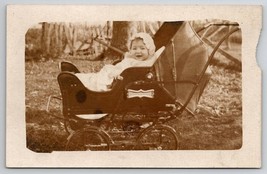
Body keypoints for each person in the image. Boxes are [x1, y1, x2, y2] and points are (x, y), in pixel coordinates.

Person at [76, 32, 159, 91]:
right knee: (94, 77)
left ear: (149, 50)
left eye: (142, 48)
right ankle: (80, 78)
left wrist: (117, 75)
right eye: (134, 48)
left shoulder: (141, 64)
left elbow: (128, 74)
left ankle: (81, 80)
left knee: (96, 80)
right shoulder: (132, 59)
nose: (138, 51)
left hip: (115, 77)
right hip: (111, 73)